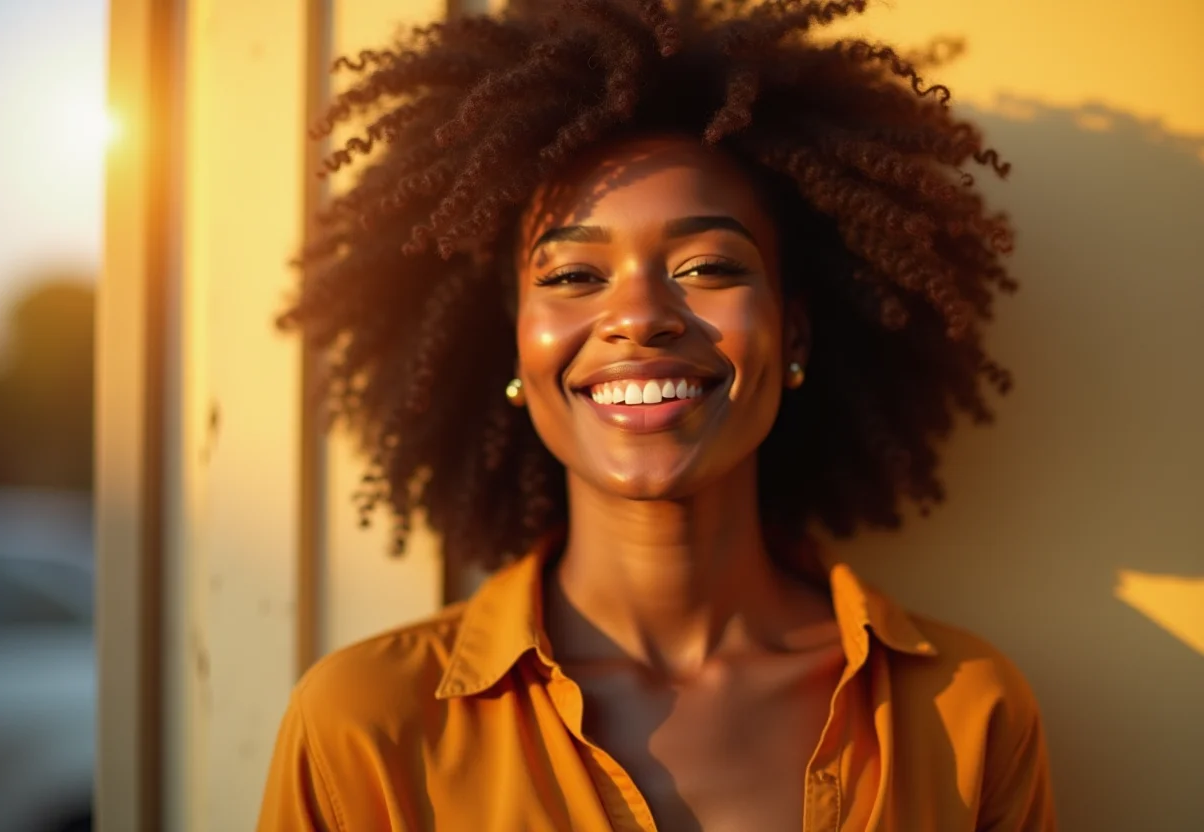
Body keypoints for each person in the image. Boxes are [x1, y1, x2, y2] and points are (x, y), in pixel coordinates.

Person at [257, 0, 1056, 829]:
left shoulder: (968, 714)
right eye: (572, 276)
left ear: (796, 332)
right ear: (512, 350)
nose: (639, 316)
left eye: (708, 265)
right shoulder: (367, 727)